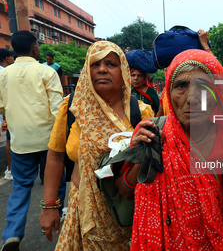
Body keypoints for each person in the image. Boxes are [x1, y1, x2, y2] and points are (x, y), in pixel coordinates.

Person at [116, 49, 223, 250]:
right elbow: (125, 190)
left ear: (216, 95)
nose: (191, 98)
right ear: (168, 92)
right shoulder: (150, 132)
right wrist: (146, 155)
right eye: (181, 86)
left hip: (209, 241)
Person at [39, 41, 154, 250]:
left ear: (124, 72)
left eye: (110, 64)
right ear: (86, 71)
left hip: (128, 214)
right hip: (81, 214)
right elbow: (55, 156)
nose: (102, 69)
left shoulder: (141, 113)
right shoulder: (73, 108)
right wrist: (49, 207)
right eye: (94, 64)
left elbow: (152, 164)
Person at [0, 30, 64, 251]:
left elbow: (1, 106)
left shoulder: (3, 75)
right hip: (49, 141)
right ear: (35, 47)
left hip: (20, 142)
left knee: (21, 186)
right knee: (55, 183)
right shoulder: (46, 72)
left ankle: (12, 235)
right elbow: (58, 109)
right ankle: (58, 219)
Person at [0, 48, 15, 180]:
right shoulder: (5, 73)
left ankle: (9, 170)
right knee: (10, 141)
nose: (13, 59)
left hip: (3, 112)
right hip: (7, 113)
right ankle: (11, 170)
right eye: (11, 57)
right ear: (7, 59)